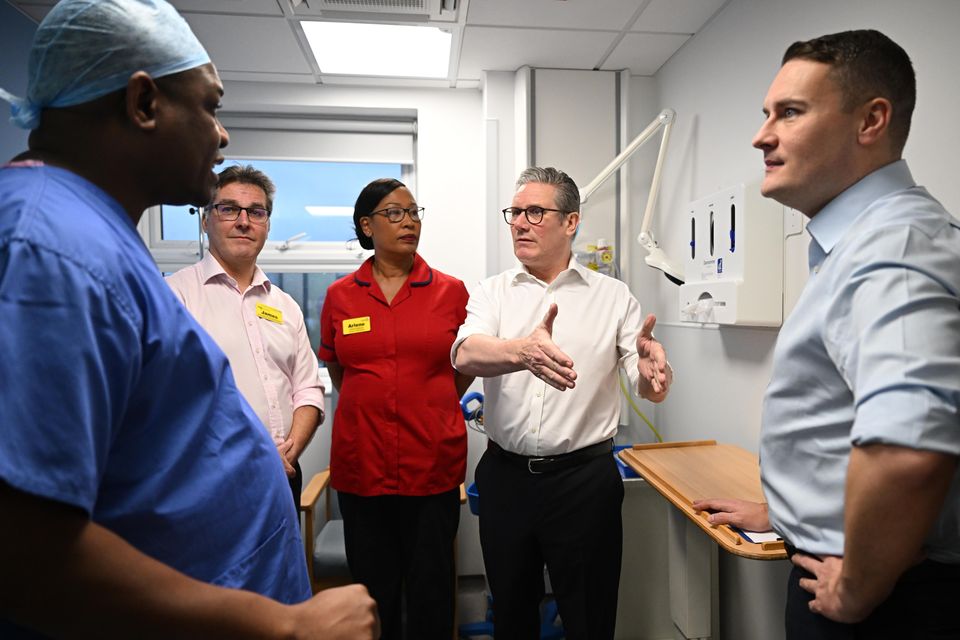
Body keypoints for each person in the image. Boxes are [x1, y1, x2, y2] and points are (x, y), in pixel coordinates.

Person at [0, 1, 377, 637]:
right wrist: (283, 627)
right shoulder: (46, 248)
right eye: (210, 105)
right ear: (143, 103)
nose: (221, 134)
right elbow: (25, 547)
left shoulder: (91, 236)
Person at [692, 29, 960, 639]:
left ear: (871, 121)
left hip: (883, 603)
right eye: (767, 114)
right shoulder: (861, 244)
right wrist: (791, 514)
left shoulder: (894, 247)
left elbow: (908, 450)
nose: (762, 135)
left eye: (789, 113)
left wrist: (858, 590)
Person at [452, 166, 673, 640]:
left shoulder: (613, 297)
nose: (519, 222)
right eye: (515, 212)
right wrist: (520, 351)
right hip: (506, 478)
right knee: (511, 614)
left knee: (590, 617)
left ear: (570, 222)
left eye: (535, 212)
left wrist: (655, 376)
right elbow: (466, 351)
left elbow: (645, 381)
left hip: (583, 484)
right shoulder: (493, 291)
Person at [318, 178, 474, 639]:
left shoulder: (451, 292)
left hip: (432, 465)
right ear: (366, 226)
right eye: (393, 213)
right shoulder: (340, 296)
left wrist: (425, 400)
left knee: (431, 590)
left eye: (413, 212)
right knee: (372, 592)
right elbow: (337, 369)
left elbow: (459, 368)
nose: (408, 221)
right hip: (362, 467)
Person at [167, 165, 325, 511]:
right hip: (208, 479)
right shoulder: (172, 297)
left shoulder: (285, 306)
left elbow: (308, 390)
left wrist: (288, 452)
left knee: (280, 565)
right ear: (205, 220)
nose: (243, 221)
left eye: (256, 212)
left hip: (284, 475)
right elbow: (171, 399)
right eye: (228, 209)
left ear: (266, 224)